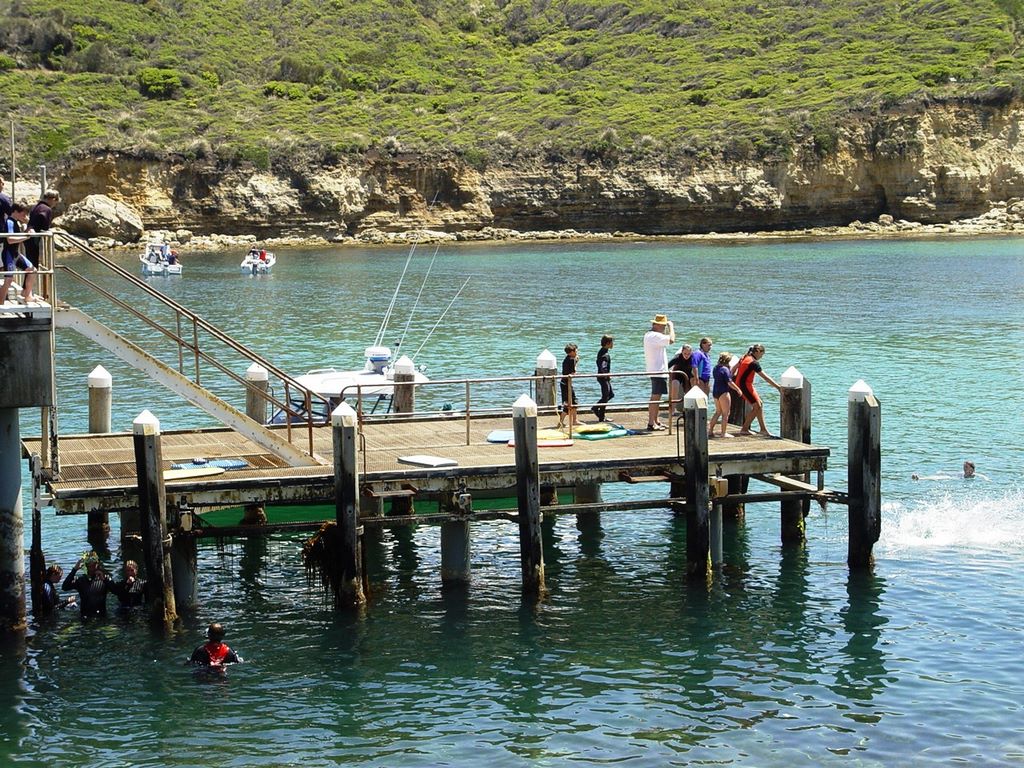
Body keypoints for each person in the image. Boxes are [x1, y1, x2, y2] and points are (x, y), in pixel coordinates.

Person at [734, 344, 782, 436]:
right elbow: (765, 377)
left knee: (759, 404)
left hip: (745, 384)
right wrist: (777, 387)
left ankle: (763, 429)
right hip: (744, 385)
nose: (761, 357)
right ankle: (744, 429)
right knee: (757, 406)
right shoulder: (753, 363)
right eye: (762, 354)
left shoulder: (746, 357)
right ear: (758, 351)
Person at [643, 314, 675, 430]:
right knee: (655, 397)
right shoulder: (655, 336)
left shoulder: (650, 335)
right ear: (655, 325)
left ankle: (655, 420)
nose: (663, 328)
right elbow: (671, 340)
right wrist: (671, 327)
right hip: (658, 370)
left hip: (656, 370)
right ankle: (651, 423)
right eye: (662, 326)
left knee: (657, 396)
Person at [62, 551, 113, 618]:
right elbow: (65, 587)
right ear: (86, 566)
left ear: (97, 564)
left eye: (93, 565)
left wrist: (104, 579)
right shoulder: (80, 580)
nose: (91, 568)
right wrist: (74, 570)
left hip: (101, 616)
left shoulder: (104, 579)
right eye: (89, 566)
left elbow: (116, 590)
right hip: (85, 616)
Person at [1, 202, 35, 304]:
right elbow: (10, 239)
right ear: (16, 212)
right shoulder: (10, 222)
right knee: (8, 279)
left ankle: (27, 295)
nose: (25, 216)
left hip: (15, 254)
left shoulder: (16, 222)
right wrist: (27, 237)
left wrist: (28, 226)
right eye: (23, 214)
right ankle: (1, 302)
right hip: (8, 254)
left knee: (32, 270)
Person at [25, 189, 59, 284]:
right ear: (52, 199)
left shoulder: (35, 206)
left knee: (30, 264)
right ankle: (27, 291)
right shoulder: (47, 209)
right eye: (56, 200)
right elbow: (45, 226)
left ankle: (26, 289)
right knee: (33, 266)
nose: (55, 203)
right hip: (36, 239)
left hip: (28, 238)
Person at [707, 352, 743, 438]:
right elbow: (729, 382)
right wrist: (738, 389)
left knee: (718, 412)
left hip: (715, 391)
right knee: (726, 413)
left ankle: (710, 431)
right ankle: (724, 433)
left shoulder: (716, 368)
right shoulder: (725, 369)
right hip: (723, 392)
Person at [592, 334, 614, 421]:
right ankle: (600, 415)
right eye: (612, 342)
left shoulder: (603, 351)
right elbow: (603, 366)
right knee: (605, 396)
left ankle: (598, 410)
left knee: (610, 395)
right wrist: (606, 374)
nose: (613, 344)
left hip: (604, 377)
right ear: (608, 343)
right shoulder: (604, 354)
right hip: (603, 377)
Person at [667, 344, 693, 411]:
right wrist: (668, 373)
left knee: (688, 391)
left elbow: (697, 367)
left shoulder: (693, 358)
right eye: (685, 353)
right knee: (675, 385)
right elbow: (667, 366)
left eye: (688, 354)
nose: (687, 355)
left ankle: (687, 410)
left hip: (687, 375)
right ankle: (672, 409)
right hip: (677, 374)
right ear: (682, 352)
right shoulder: (678, 358)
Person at [559, 343, 580, 428]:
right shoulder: (571, 360)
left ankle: (574, 420)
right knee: (570, 403)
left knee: (572, 402)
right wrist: (576, 362)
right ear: (571, 352)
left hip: (566, 383)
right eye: (575, 350)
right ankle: (562, 422)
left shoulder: (568, 359)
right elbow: (573, 372)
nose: (577, 351)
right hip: (566, 384)